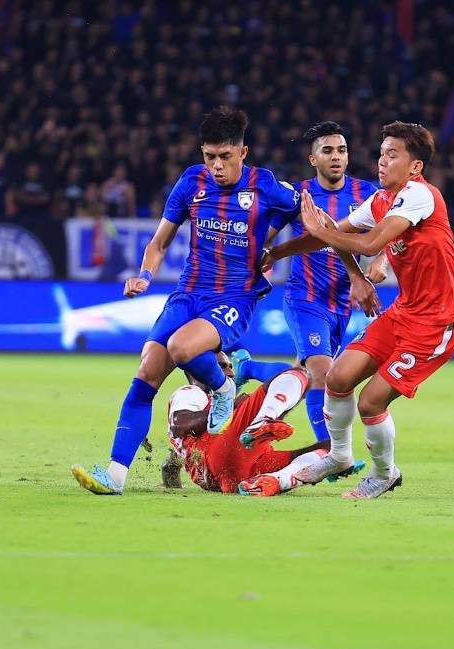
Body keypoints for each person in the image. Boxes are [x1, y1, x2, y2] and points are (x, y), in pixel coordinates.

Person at [71, 107, 376, 495]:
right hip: (188, 293)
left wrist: (348, 270)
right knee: (147, 372)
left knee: (182, 347)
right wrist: (145, 274)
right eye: (209, 156)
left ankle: (225, 386)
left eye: (225, 157)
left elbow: (322, 228)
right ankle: (114, 476)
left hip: (234, 297)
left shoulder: (267, 187)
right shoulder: (191, 182)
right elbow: (160, 241)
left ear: (242, 153)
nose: (216, 166)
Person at [262, 121, 454, 499]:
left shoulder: (420, 195)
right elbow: (335, 236)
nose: (382, 161)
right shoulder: (380, 201)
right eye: (381, 153)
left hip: (438, 324)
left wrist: (326, 233)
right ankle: (339, 456)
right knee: (338, 378)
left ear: (415, 166)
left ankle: (384, 473)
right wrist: (277, 252)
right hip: (403, 313)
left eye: (393, 154)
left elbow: (369, 244)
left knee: (371, 400)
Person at [231, 121, 385, 444]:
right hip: (306, 299)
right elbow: (265, 237)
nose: (336, 157)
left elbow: (386, 236)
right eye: (327, 151)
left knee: (303, 378)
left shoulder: (366, 194)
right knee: (323, 374)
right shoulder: (299, 197)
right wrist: (260, 257)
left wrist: (380, 263)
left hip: (342, 305)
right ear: (312, 159)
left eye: (341, 150)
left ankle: (247, 369)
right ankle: (328, 449)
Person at [161, 352, 365, 496]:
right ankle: (259, 406)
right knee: (300, 374)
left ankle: (278, 480)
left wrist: (172, 482)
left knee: (333, 450)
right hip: (220, 451)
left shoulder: (218, 402)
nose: (229, 373)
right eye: (222, 366)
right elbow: (181, 423)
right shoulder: (192, 392)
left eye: (231, 366)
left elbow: (172, 460)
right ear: (198, 371)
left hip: (237, 473)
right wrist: (232, 410)